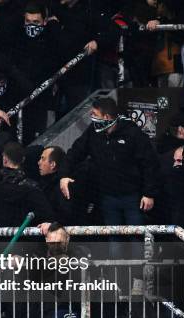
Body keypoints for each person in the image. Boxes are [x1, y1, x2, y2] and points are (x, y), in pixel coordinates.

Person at [59, 98, 160, 257]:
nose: (91, 117)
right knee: (114, 240)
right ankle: (117, 279)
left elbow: (149, 164)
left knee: (137, 238)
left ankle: (139, 280)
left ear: (106, 117)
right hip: (107, 197)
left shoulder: (132, 133)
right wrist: (64, 175)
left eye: (94, 114)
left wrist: (149, 193)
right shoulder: (93, 132)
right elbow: (74, 153)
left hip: (133, 197)